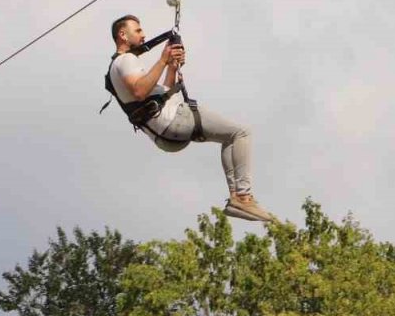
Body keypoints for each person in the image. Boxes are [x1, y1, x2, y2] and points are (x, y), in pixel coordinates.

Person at [108, 14, 276, 223]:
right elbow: (140, 90)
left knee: (229, 138)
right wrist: (162, 59)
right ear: (122, 35)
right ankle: (243, 196)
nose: (143, 35)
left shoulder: (122, 66)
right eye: (138, 30)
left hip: (165, 134)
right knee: (241, 132)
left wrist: (170, 65)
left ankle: (237, 198)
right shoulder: (126, 60)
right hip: (174, 121)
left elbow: (163, 93)